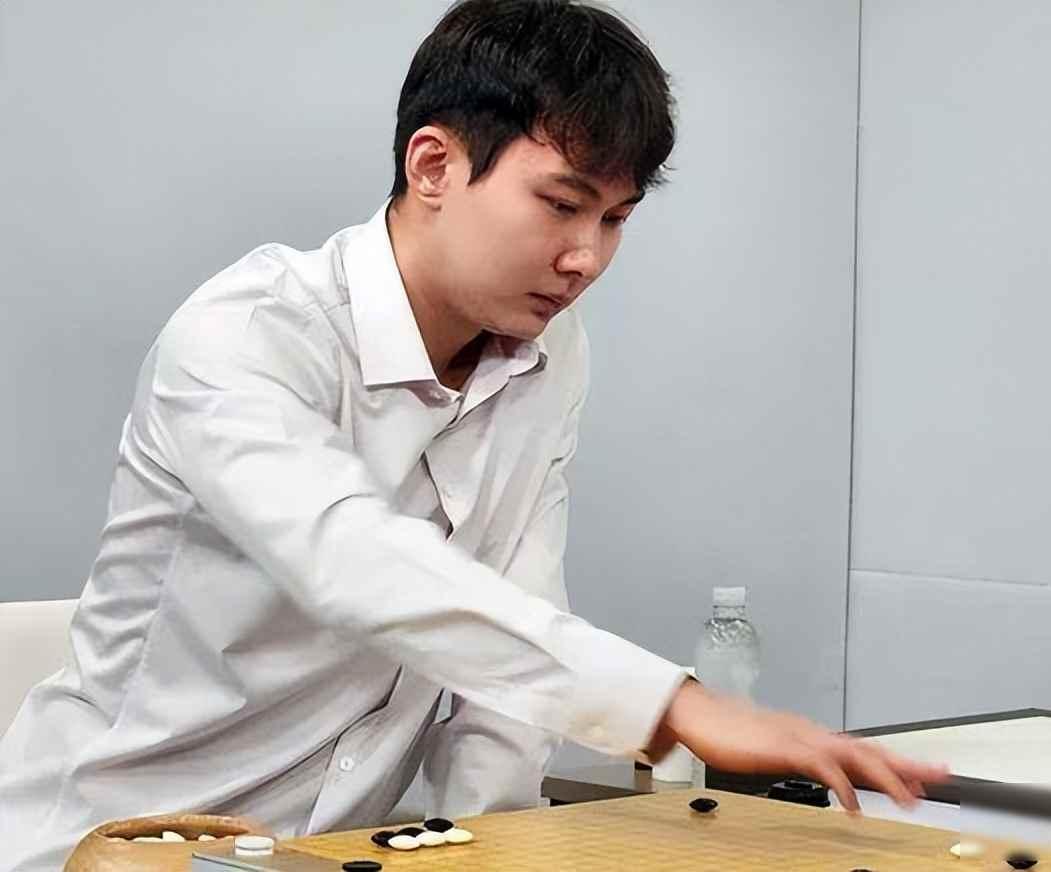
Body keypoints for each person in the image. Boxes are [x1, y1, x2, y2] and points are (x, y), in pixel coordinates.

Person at [0, 1, 948, 868]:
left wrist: (493, 846)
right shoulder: (247, 334)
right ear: (433, 167)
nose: (586, 258)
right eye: (563, 205)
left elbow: (515, 623)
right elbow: (357, 566)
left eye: (617, 219)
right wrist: (670, 704)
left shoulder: (550, 353)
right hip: (105, 848)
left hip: (337, 854)